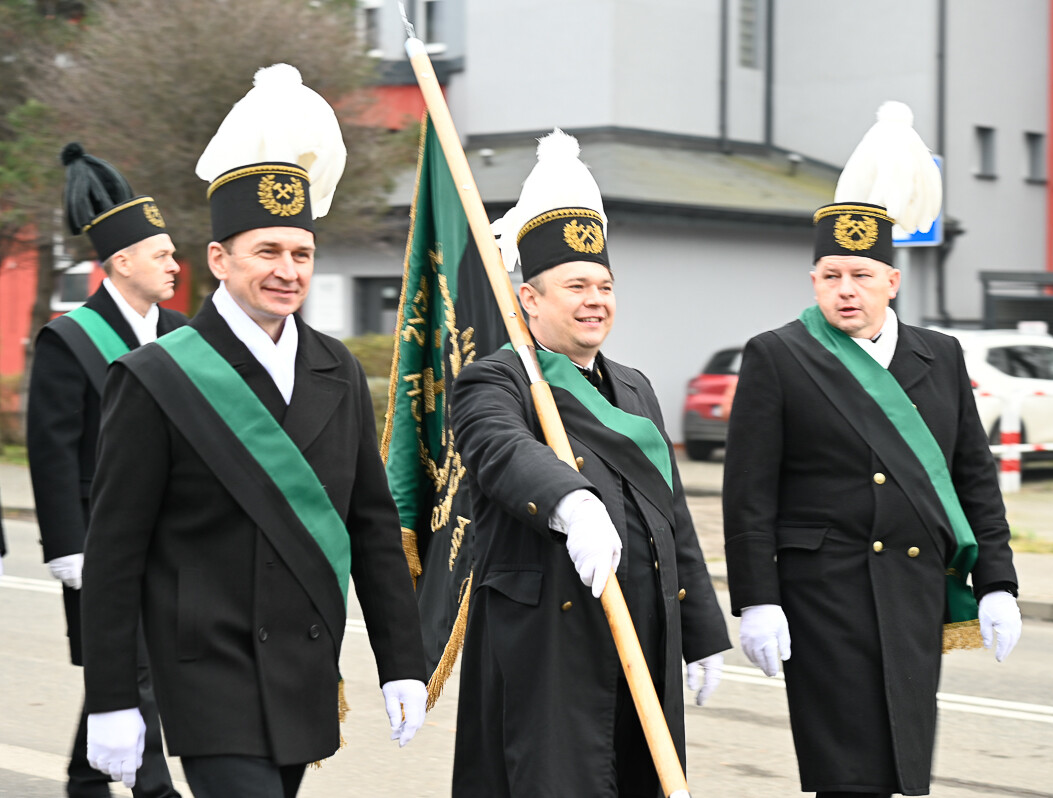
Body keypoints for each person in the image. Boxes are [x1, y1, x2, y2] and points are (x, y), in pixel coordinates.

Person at [79, 65, 427, 798]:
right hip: (206, 670)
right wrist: (112, 697)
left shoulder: (336, 368)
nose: (287, 271)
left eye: (301, 253)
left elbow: (369, 523)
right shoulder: (157, 377)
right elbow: (116, 549)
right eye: (266, 252)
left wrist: (402, 659)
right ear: (219, 259)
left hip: (303, 664)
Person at [722, 102, 1023, 798]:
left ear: (892, 280)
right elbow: (749, 493)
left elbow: (972, 475)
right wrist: (756, 599)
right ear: (813, 281)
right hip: (822, 592)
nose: (846, 289)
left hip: (913, 592)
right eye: (831, 275)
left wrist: (998, 582)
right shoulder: (778, 355)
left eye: (861, 274)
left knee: (906, 759)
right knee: (846, 769)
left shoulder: (938, 356)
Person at [449, 130, 731, 797]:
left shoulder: (634, 387)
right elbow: (502, 450)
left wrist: (701, 627)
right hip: (547, 643)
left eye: (604, 285)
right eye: (575, 285)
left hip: (643, 632)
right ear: (530, 299)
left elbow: (671, 512)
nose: (595, 299)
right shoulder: (496, 380)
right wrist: (571, 502)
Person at [27, 143, 186, 798]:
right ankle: (154, 788)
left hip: (169, 531)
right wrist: (65, 545)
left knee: (132, 665)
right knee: (133, 661)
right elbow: (52, 446)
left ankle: (84, 779)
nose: (175, 264)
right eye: (162, 255)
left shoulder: (180, 330)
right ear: (121, 262)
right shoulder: (70, 337)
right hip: (97, 534)